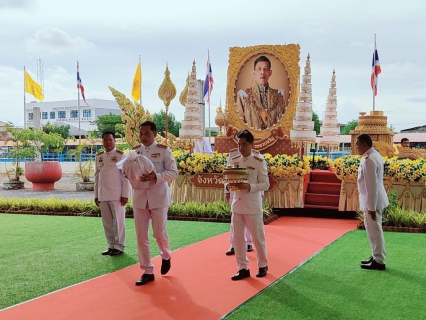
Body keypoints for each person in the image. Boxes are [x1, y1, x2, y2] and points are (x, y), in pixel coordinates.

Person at [132, 121, 178, 286]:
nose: (143, 137)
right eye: (141, 134)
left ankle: (165, 255)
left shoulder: (163, 150)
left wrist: (155, 177)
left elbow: (174, 172)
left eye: (147, 133)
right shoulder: (134, 152)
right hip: (139, 198)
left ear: (154, 134)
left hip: (158, 197)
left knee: (159, 234)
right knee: (141, 236)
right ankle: (147, 270)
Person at [226, 129, 270, 280]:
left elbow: (265, 184)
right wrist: (228, 185)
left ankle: (263, 264)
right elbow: (228, 179)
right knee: (238, 239)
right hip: (237, 204)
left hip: (252, 205)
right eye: (239, 144)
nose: (241, 147)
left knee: (257, 238)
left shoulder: (258, 161)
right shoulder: (234, 160)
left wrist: (250, 187)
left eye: (244, 144)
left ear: (252, 144)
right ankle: (242, 268)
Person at [356, 134, 389, 271]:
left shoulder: (369, 159)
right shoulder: (373, 155)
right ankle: (375, 256)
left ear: (364, 145)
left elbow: (371, 186)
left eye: (357, 144)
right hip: (373, 200)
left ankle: (379, 260)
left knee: (374, 231)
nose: (356, 147)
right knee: (372, 230)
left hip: (373, 202)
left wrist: (371, 208)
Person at [94, 131, 131, 256]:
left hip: (117, 194)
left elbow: (126, 177)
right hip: (103, 194)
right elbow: (97, 177)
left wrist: (125, 194)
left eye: (110, 139)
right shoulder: (99, 157)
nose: (107, 142)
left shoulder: (121, 156)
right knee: (107, 222)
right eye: (105, 140)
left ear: (115, 141)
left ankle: (119, 246)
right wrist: (96, 195)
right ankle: (111, 245)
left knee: (119, 221)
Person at [236, 55, 286, 130]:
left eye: (265, 69)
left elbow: (282, 123)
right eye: (259, 69)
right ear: (254, 73)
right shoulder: (243, 95)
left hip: (273, 139)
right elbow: (239, 124)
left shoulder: (278, 95)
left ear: (270, 73)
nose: (262, 72)